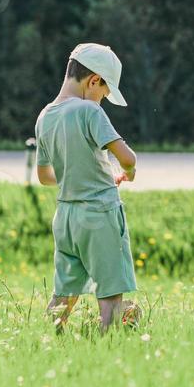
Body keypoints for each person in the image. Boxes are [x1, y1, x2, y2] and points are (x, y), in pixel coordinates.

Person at [35, 43, 141, 333]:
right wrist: (128, 173)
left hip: (66, 218)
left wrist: (76, 174)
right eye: (104, 94)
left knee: (64, 293)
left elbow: (45, 176)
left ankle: (45, 340)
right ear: (94, 80)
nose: (101, 101)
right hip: (99, 213)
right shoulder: (89, 112)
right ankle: (110, 340)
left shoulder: (45, 116)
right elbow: (127, 158)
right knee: (110, 294)